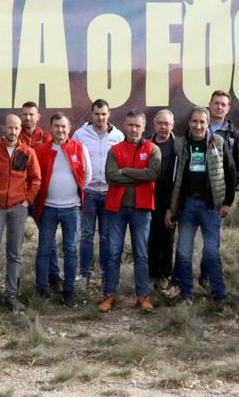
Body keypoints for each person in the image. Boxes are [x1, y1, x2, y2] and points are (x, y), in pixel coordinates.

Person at [167, 107, 237, 305]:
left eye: (202, 122)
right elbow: (173, 178)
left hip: (210, 207)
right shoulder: (180, 144)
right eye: (195, 121)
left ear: (208, 124)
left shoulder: (218, 143)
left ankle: (219, 296)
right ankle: (186, 294)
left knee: (212, 253)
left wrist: (227, 202)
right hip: (187, 205)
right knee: (183, 251)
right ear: (189, 122)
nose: (198, 126)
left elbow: (231, 173)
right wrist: (172, 207)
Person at [0, 114, 42, 311]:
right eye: (10, 128)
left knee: (14, 254)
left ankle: (11, 296)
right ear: (3, 128)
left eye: (16, 128)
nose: (13, 132)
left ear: (20, 129)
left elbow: (36, 179)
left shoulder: (28, 152)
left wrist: (27, 200)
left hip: (17, 209)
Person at [100, 110, 161, 313]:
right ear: (125, 126)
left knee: (141, 254)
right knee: (113, 253)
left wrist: (125, 171)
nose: (134, 129)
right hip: (116, 209)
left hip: (142, 209)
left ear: (144, 127)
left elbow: (152, 174)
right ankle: (110, 295)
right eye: (130, 125)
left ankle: (142, 296)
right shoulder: (115, 150)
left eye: (137, 125)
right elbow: (111, 176)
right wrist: (138, 176)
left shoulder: (153, 149)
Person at [33, 112, 90, 307]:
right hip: (48, 208)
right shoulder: (41, 150)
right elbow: (35, 176)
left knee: (71, 250)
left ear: (69, 128)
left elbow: (87, 174)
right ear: (51, 128)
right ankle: (41, 289)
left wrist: (76, 191)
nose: (60, 130)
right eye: (56, 126)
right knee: (44, 249)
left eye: (63, 126)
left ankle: (68, 290)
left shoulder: (79, 148)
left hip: (72, 209)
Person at [72, 99, 124, 287]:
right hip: (88, 192)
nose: (100, 117)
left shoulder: (118, 136)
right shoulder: (80, 134)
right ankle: (84, 274)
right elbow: (74, 162)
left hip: (109, 192)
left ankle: (103, 273)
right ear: (91, 114)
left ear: (109, 114)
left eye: (103, 114)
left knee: (105, 236)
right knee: (86, 235)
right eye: (96, 113)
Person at [19, 101, 58, 287]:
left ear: (38, 117)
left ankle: (54, 277)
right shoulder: (14, 136)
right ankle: (15, 280)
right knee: (15, 241)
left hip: (41, 195)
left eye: (31, 114)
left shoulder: (47, 137)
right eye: (24, 114)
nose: (28, 118)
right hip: (18, 196)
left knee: (48, 238)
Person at [148, 109, 178, 290]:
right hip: (150, 199)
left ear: (172, 125)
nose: (163, 127)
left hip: (171, 199)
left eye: (167, 123)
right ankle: (152, 274)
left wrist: (173, 207)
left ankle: (165, 276)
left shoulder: (178, 146)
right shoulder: (148, 144)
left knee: (168, 240)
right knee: (151, 239)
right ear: (154, 124)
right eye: (160, 123)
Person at [208, 90, 239, 179]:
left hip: (225, 187)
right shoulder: (201, 129)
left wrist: (232, 185)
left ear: (228, 108)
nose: (219, 107)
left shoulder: (234, 133)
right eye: (216, 103)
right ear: (210, 105)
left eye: (223, 104)